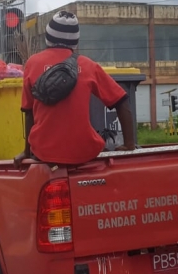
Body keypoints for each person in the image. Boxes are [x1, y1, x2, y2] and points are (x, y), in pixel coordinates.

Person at [14, 11, 136, 167]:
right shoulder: (88, 65)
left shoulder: (32, 63)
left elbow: (28, 112)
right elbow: (122, 101)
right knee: (102, 145)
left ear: (48, 37)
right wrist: (129, 145)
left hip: (44, 153)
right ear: (76, 42)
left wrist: (27, 151)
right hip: (84, 152)